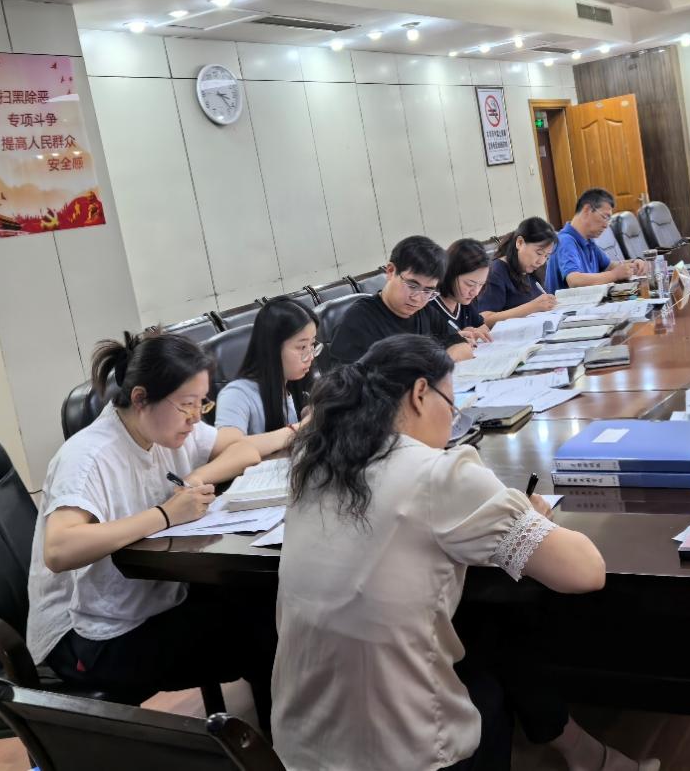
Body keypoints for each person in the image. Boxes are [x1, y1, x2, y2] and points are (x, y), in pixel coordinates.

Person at [271, 335, 658, 771]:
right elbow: (585, 571)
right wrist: (529, 519)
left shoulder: (316, 463)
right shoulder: (439, 473)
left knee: (480, 632)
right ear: (420, 393)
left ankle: (580, 749)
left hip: (300, 741)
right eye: (451, 406)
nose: (452, 422)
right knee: (493, 660)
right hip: (399, 749)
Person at [25, 331, 287, 731]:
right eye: (187, 404)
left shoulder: (166, 428)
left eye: (202, 403)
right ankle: (278, 751)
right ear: (140, 398)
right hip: (89, 637)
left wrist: (197, 477)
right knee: (262, 634)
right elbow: (59, 549)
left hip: (151, 599)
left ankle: (281, 739)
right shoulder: (89, 457)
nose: (196, 417)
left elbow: (241, 447)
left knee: (265, 604)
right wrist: (165, 514)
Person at [328, 235, 474, 366]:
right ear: (391, 271)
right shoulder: (358, 320)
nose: (417, 298)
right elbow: (345, 381)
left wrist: (437, 363)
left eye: (428, 291)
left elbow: (462, 347)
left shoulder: (425, 312)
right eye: (412, 285)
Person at [216, 297, 319, 441]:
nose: (310, 356)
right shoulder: (237, 394)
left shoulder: (296, 383)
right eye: (302, 347)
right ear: (273, 349)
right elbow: (228, 445)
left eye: (312, 344)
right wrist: (300, 428)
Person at [545, 188, 647, 292]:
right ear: (587, 210)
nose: (606, 225)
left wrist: (633, 263)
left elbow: (608, 266)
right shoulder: (565, 241)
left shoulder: (588, 240)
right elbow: (575, 281)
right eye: (605, 217)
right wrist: (614, 275)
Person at [475, 217, 560, 324]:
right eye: (539, 253)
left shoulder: (531, 269)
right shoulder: (495, 272)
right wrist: (532, 307)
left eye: (546, 256)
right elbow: (484, 319)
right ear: (520, 242)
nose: (541, 261)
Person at [428, 238, 494, 344]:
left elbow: (483, 327)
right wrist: (455, 339)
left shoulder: (463, 301)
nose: (475, 292)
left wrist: (474, 331)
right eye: (469, 284)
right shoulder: (429, 307)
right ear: (449, 274)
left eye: (481, 284)